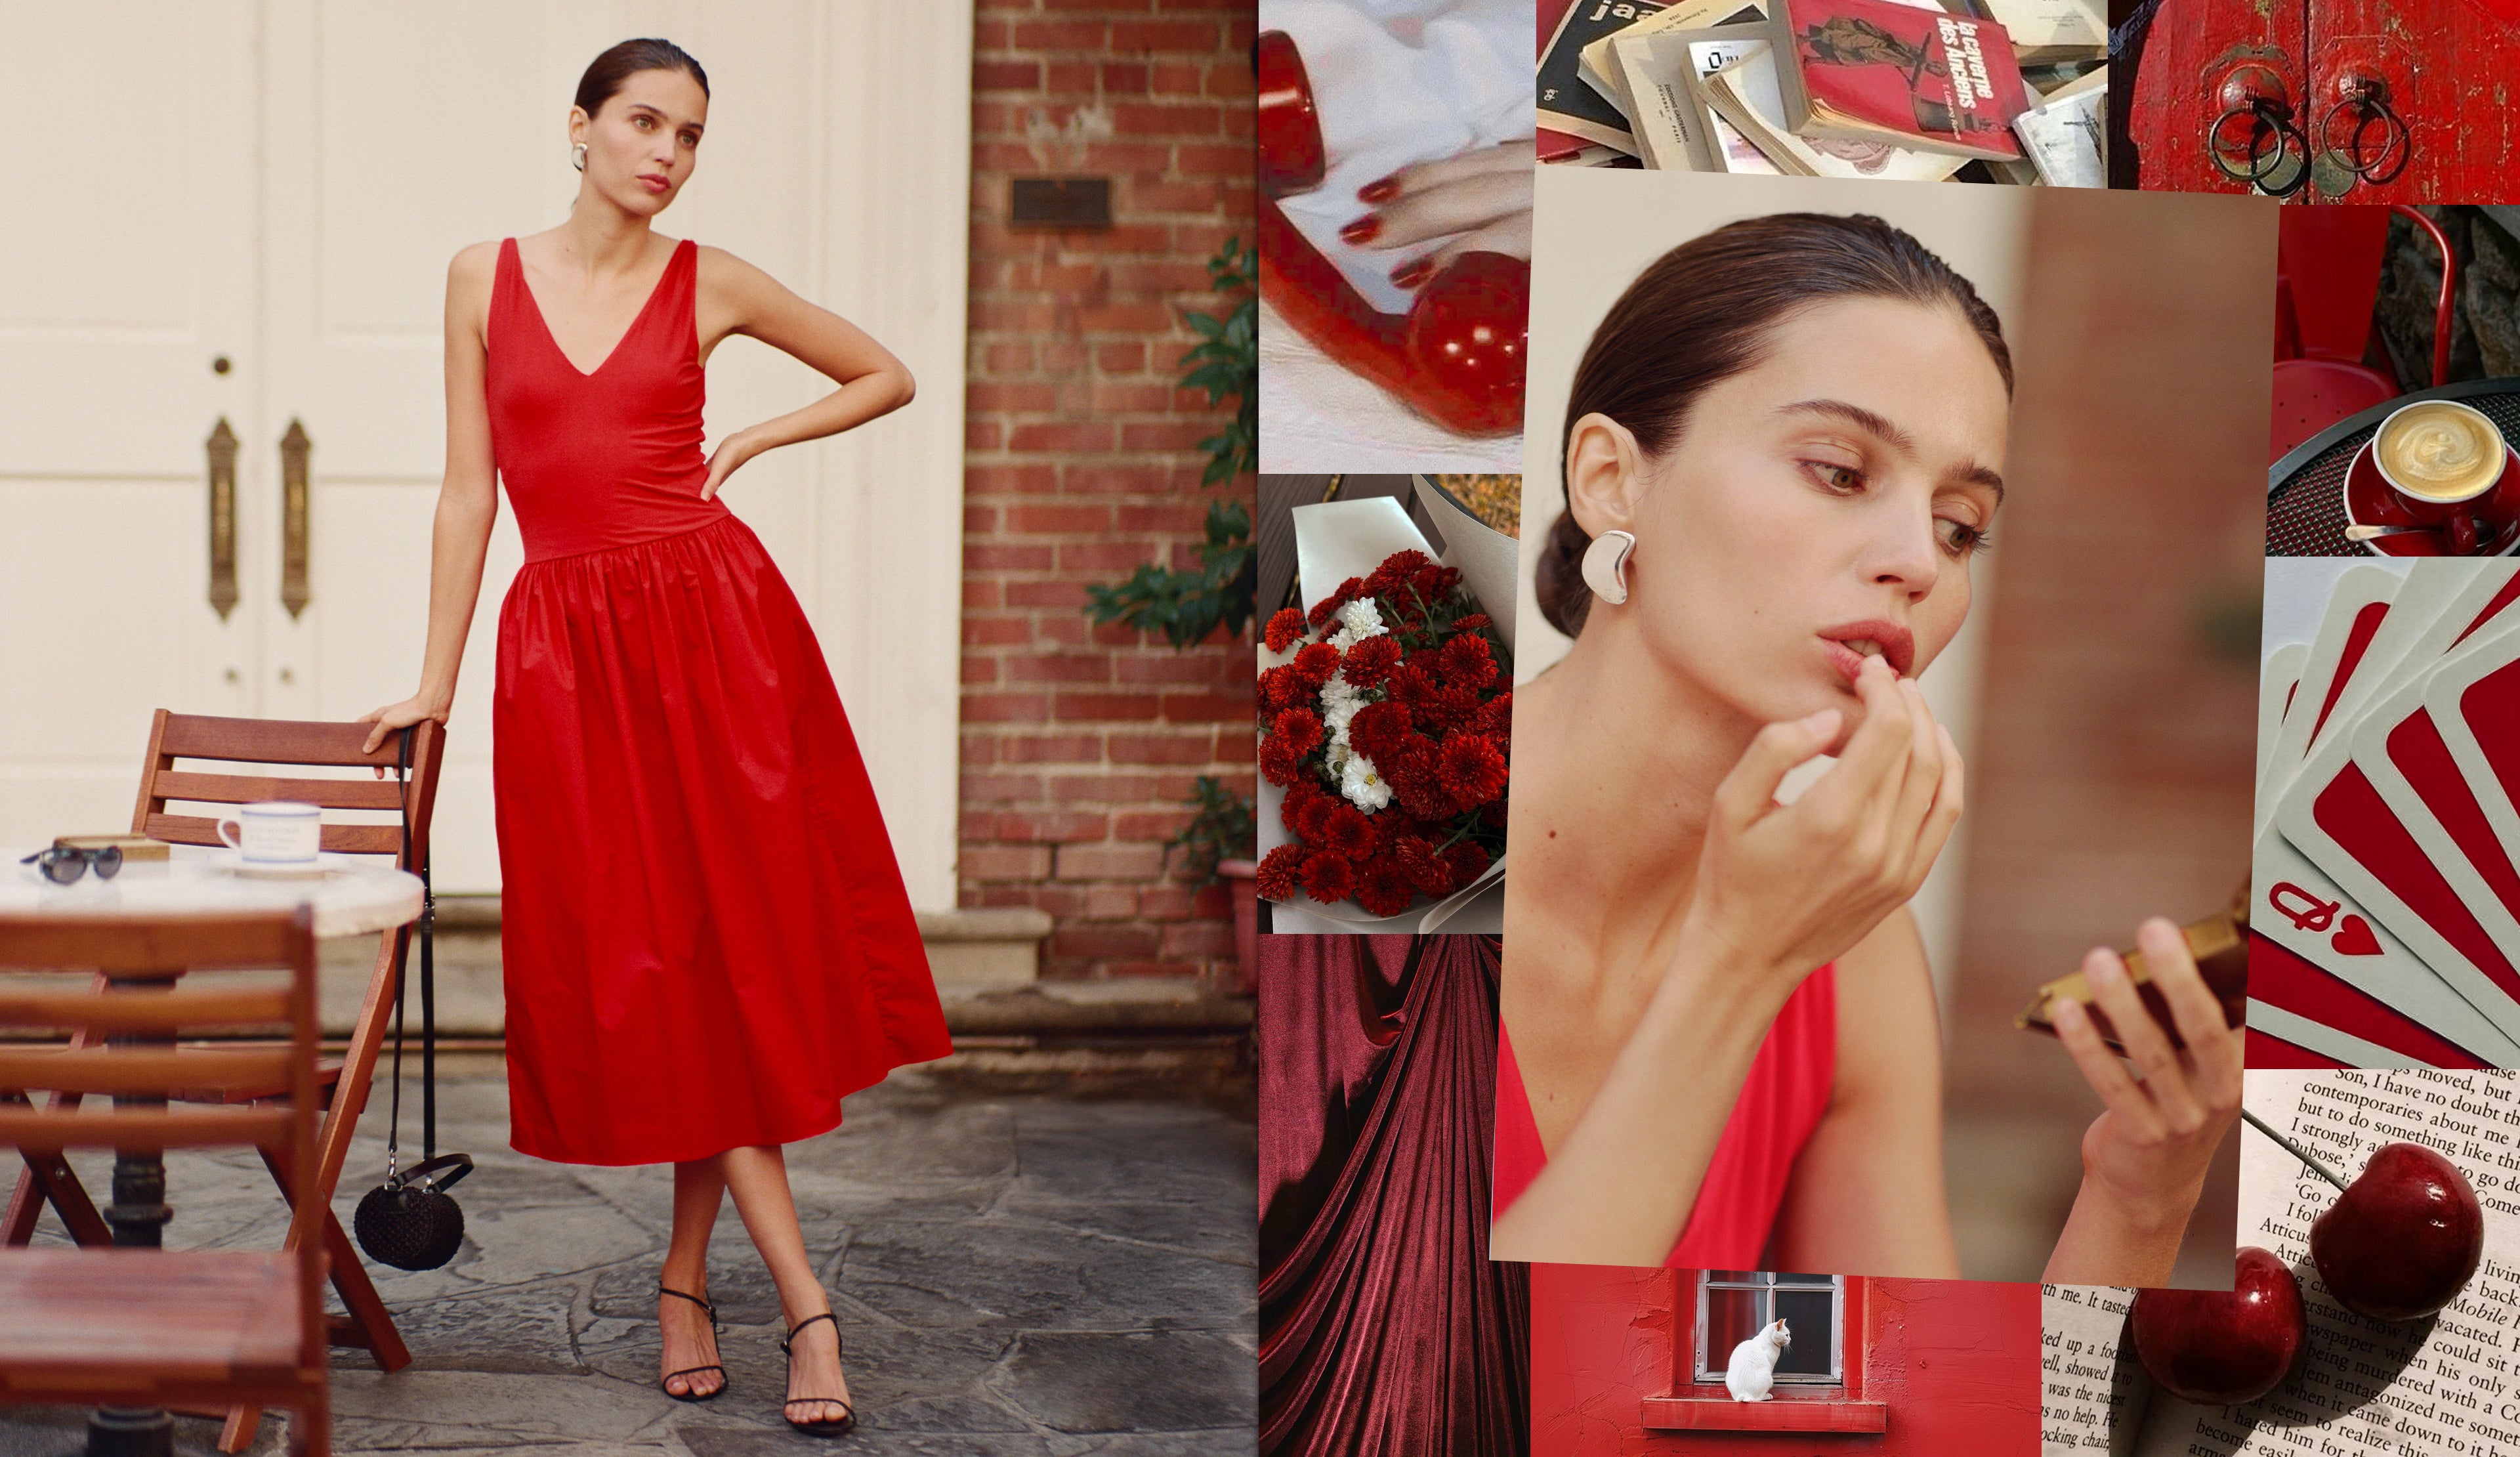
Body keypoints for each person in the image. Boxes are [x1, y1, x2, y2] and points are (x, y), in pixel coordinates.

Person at [357, 37, 950, 1438]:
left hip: (714, 638)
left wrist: (750, 448)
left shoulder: (713, 280)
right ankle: (688, 1280)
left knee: (722, 959)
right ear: (580, 126)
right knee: (663, 965)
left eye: (690, 134)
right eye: (643, 122)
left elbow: (886, 374)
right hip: (567, 656)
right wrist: (433, 685)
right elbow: (467, 497)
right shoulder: (477, 277)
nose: (666, 153)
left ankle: (799, 1303)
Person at [1486, 213, 2241, 1285]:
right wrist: (1743, 966)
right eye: (1841, 471)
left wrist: (2141, 1197)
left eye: (1959, 525)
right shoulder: (1367, 847)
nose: (1917, 565)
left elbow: (1920, 1425)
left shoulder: (1854, 956)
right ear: (1612, 479)